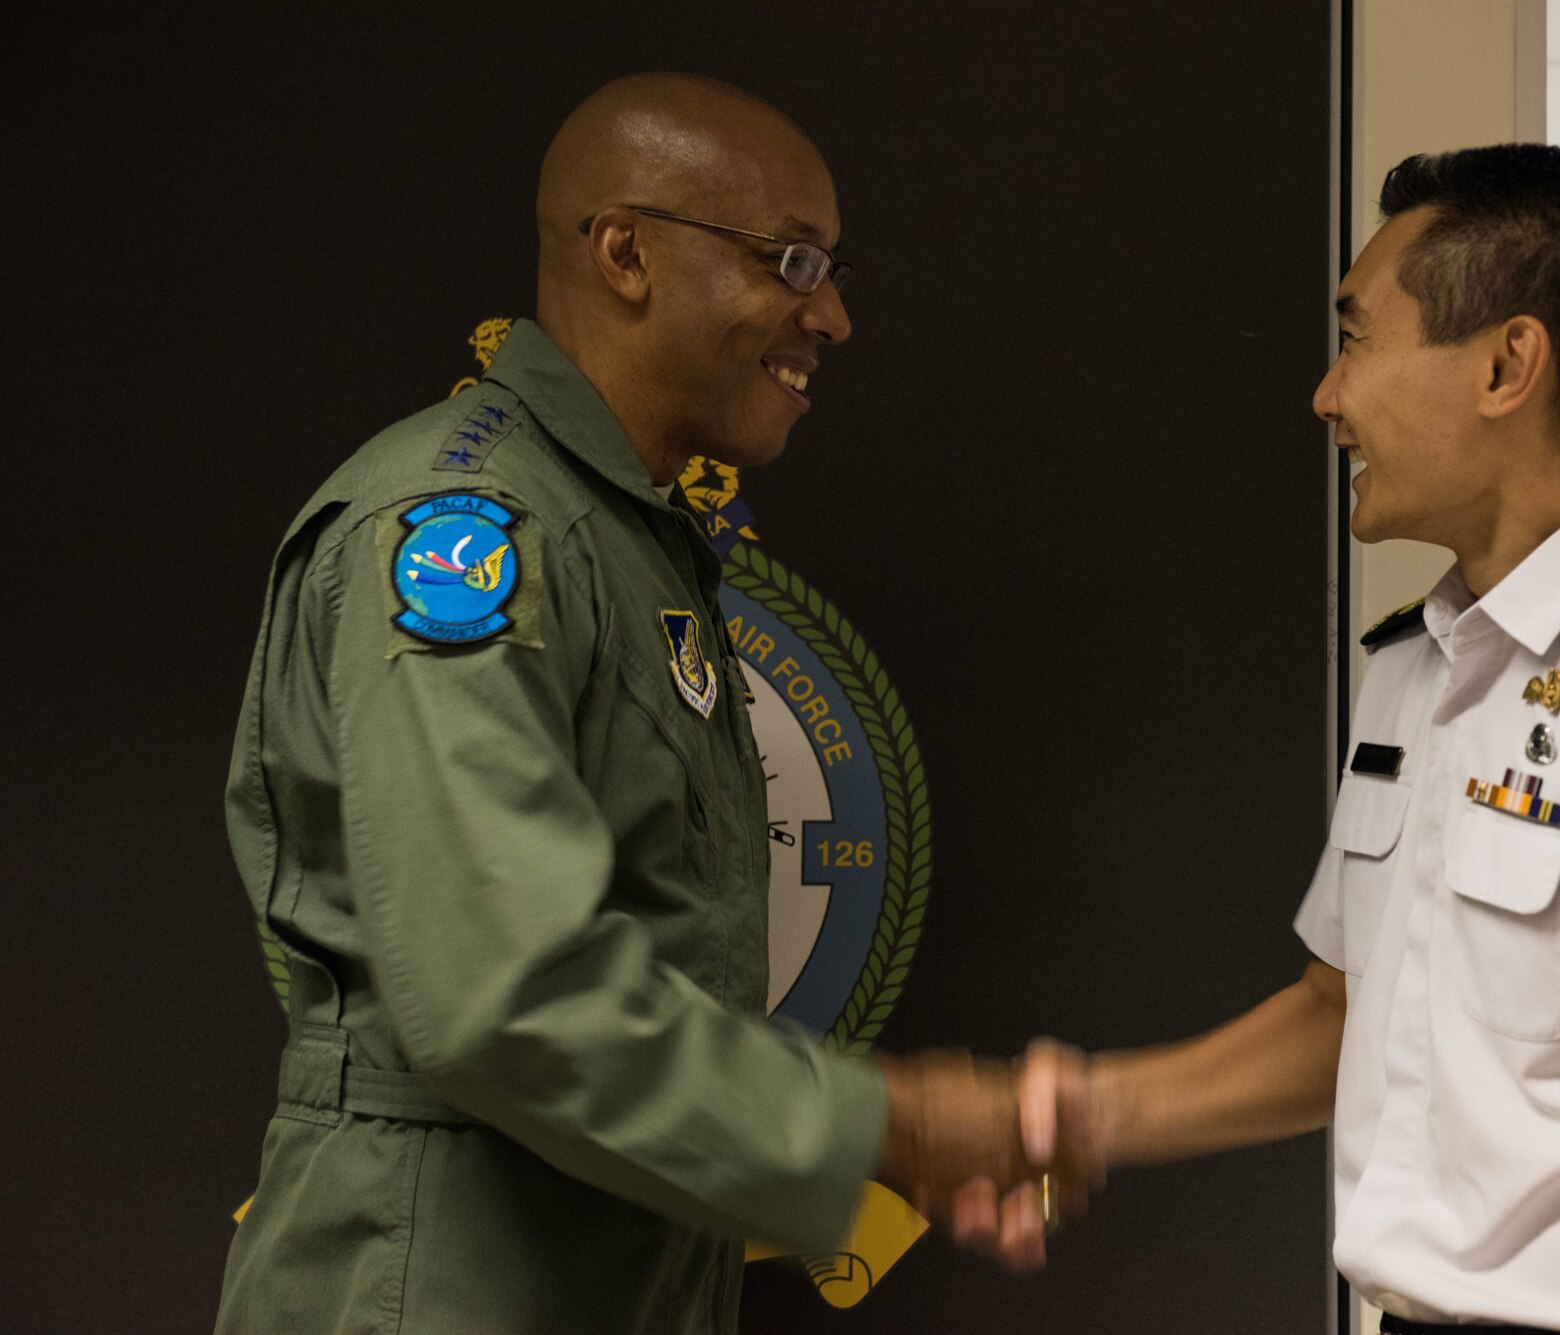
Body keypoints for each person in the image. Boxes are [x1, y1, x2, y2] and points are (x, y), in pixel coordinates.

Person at [983, 145, 1560, 1334]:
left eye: (1357, 337)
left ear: (1504, 364)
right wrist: (1086, 1114)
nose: (1325, 394)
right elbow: (1343, 1013)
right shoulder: (1423, 667)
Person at [215, 73, 1076, 1334]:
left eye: (830, 269)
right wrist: (888, 1124)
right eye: (789, 260)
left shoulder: (628, 538)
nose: (829, 314)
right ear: (624, 251)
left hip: (616, 1261)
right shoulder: (464, 535)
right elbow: (502, 997)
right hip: (444, 1280)